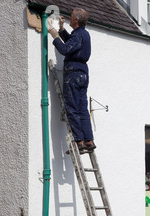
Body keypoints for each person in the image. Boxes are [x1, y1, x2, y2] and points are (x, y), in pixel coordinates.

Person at [48, 8, 96, 152]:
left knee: (72, 108)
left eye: (71, 16)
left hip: (73, 74)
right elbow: (72, 44)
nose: (69, 17)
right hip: (82, 73)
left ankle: (79, 142)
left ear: (76, 20)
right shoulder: (84, 35)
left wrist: (55, 36)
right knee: (82, 108)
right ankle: (89, 141)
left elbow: (65, 49)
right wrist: (62, 29)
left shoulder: (78, 35)